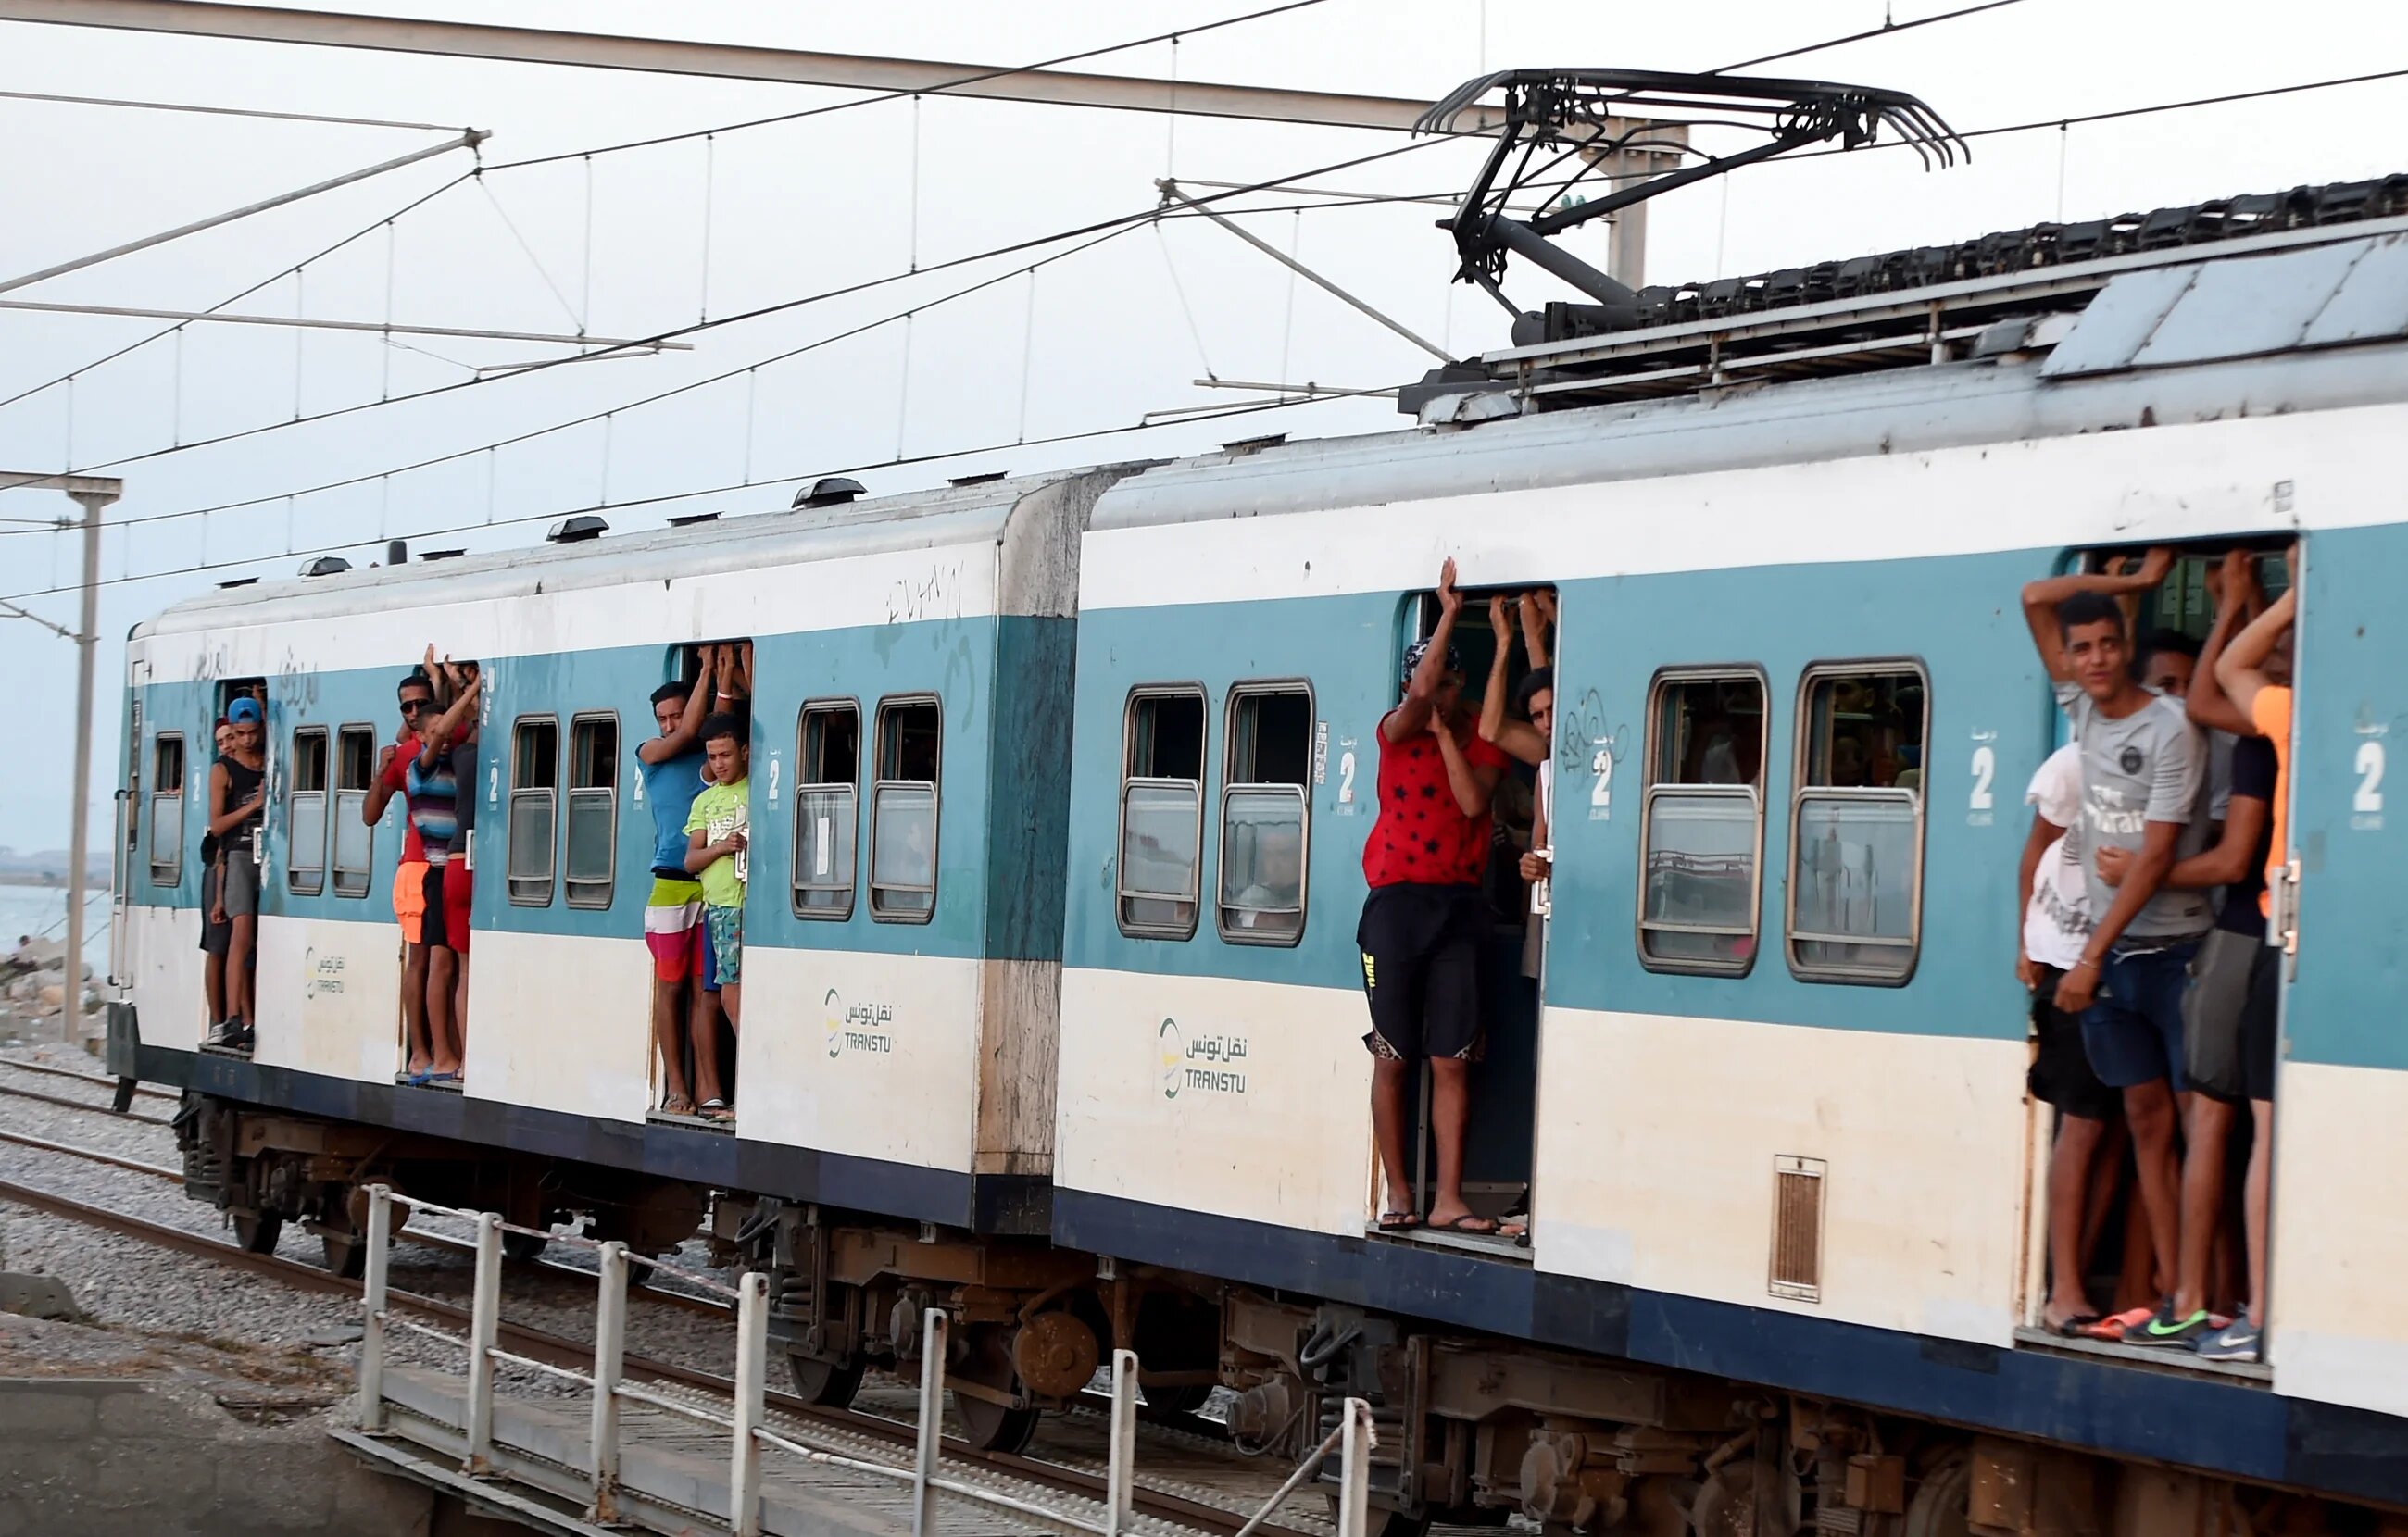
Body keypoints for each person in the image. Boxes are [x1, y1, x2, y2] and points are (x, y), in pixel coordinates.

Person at [2019, 548, 2213, 1343]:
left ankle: (2187, 1292)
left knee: (2185, 1122)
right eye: (2082, 648)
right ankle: (2167, 1299)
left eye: (2106, 644)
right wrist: (2130, 584)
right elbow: (2036, 594)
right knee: (2142, 1123)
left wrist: (2092, 954)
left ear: (2123, 647)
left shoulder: (2171, 729)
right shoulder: (2082, 713)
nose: (2095, 661)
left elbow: (2159, 857)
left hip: (2169, 951)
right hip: (2112, 962)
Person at [1359, 558, 1511, 1235]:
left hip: (1456, 907)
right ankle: (1398, 1191)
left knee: (1453, 1057)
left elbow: (1474, 802)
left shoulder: (1477, 734)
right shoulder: (1395, 729)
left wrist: (1452, 732)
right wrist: (1449, 612)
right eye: (1433, 682)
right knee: (1393, 1054)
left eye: (1451, 682)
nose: (1440, 693)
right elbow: (1418, 693)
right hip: (1394, 907)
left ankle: (1448, 1196)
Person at [2185, 551, 2297, 1361]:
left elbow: (2226, 666)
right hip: (2300, 941)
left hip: (2275, 939)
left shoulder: (2289, 713)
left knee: (2264, 1131)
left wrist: (2292, 592)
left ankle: (2259, 1312)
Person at [2015, 742, 2124, 1334]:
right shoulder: (2073, 763)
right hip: (2067, 961)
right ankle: (2064, 1290)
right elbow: (2035, 851)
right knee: (2083, 1125)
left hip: (2121, 962)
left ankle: (2079, 1278)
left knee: (2111, 1129)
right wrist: (2026, 943)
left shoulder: (2171, 758)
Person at [637, 648, 718, 1117]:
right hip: (669, 880)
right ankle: (676, 1087)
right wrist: (707, 667)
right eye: (662, 717)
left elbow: (704, 729)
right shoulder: (650, 753)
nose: (670, 725)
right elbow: (690, 732)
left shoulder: (707, 759)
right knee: (670, 989)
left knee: (701, 989)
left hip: (707, 881)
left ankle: (707, 1087)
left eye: (675, 714)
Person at [406, 663, 480, 1085]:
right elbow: (439, 729)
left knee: (448, 964)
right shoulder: (423, 765)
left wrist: (453, 682)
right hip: (440, 871)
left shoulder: (457, 762)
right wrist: (471, 693)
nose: (447, 734)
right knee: (441, 964)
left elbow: (451, 726)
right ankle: (444, 1053)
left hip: (448, 868)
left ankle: (447, 1051)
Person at [366, 671, 436, 1080]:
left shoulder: (443, 740)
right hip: (414, 864)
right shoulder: (402, 753)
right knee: (419, 960)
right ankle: (419, 1050)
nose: (414, 712)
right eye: (406, 706)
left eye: (420, 704)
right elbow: (371, 815)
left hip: (443, 862)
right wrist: (381, 772)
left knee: (439, 960)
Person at [684, 711, 751, 1120]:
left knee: (732, 993)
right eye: (713, 756)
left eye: (726, 754)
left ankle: (749, 1090)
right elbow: (691, 859)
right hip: (720, 909)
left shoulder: (756, 790)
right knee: (729, 992)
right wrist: (721, 848)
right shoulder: (704, 802)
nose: (720, 763)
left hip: (744, 904)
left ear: (744, 751)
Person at [206, 697, 268, 1050]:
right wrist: (254, 807)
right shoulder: (223, 770)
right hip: (239, 854)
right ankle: (232, 1018)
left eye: (252, 733)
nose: (245, 740)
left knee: (260, 939)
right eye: (240, 733)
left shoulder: (268, 761)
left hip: (268, 854)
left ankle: (252, 1014)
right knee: (240, 935)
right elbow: (217, 826)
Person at [198, 719, 235, 1031]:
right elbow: (218, 827)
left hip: (235, 865)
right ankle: (217, 1019)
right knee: (218, 946)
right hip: (218, 864)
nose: (227, 746)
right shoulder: (221, 774)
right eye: (221, 742)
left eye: (230, 738)